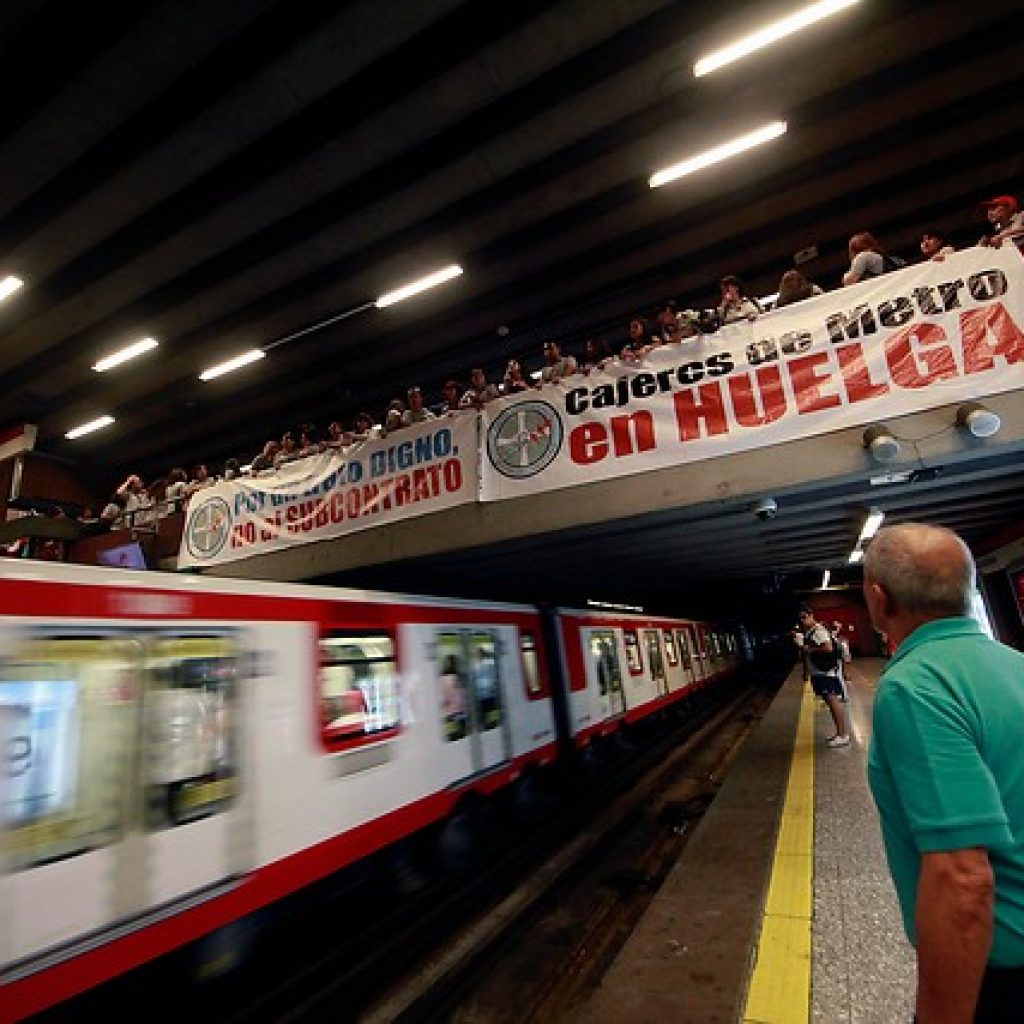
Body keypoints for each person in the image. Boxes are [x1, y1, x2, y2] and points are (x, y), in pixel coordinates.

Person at [864, 524, 1024, 1022]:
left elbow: (962, 877)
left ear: (878, 598)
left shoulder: (915, 687)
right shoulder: (1015, 664)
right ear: (970, 588)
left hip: (1001, 975)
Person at [793, 605, 849, 746]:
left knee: (833, 700)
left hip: (825, 671)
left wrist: (808, 648)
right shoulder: (809, 632)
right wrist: (806, 671)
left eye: (805, 617)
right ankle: (839, 734)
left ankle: (843, 735)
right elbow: (807, 654)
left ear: (812, 615)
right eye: (801, 618)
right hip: (818, 671)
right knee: (830, 701)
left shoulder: (818, 630)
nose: (803, 620)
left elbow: (828, 647)